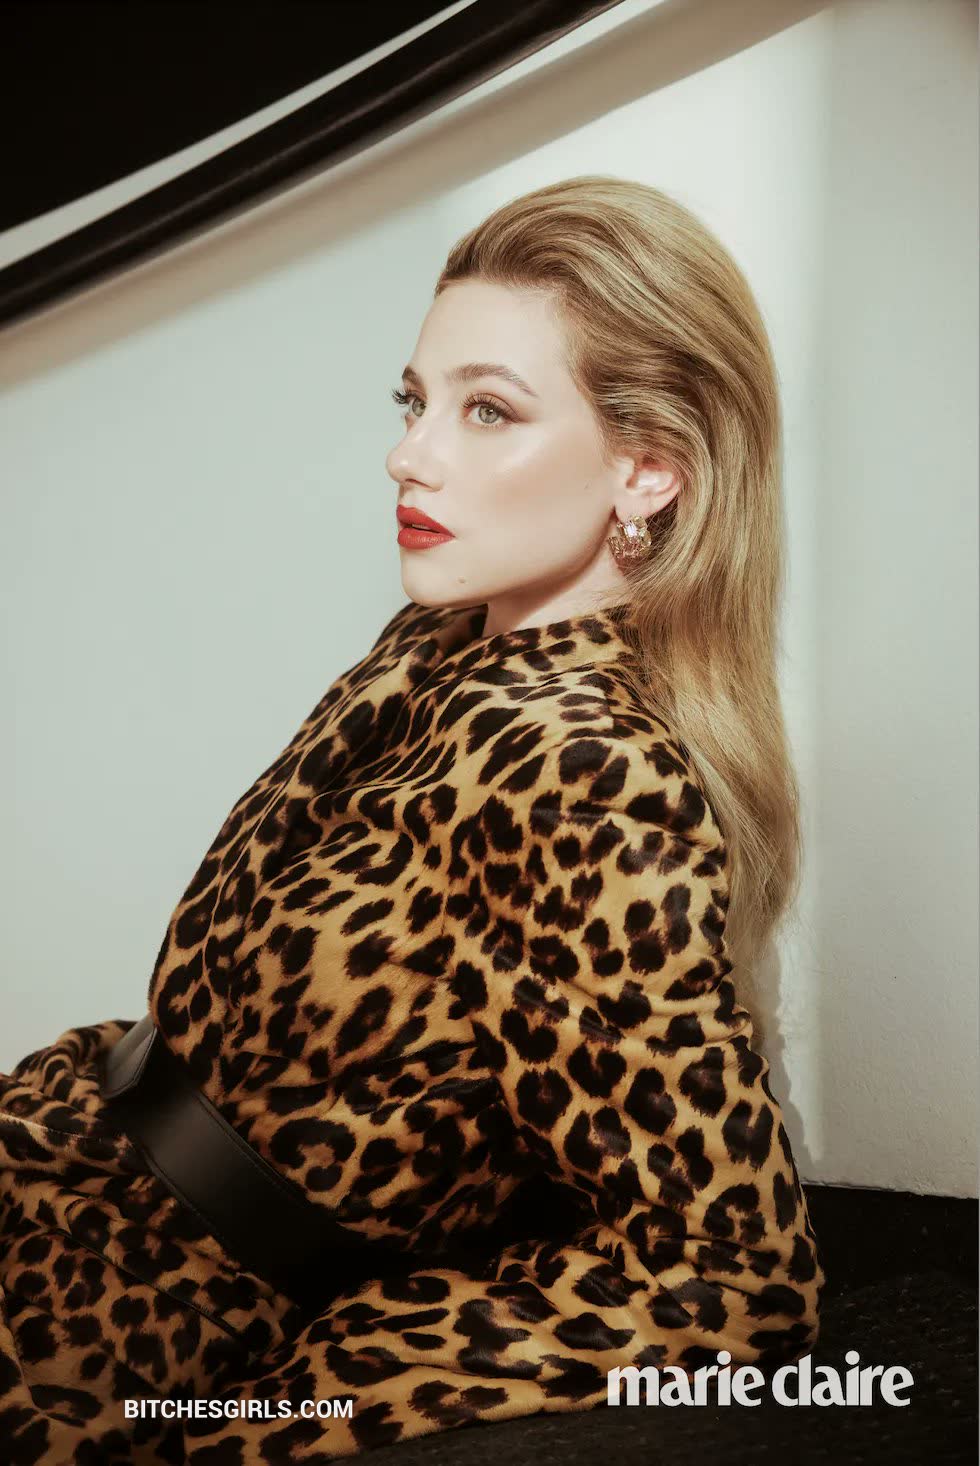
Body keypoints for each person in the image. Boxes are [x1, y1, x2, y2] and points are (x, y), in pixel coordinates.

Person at [0, 175, 824, 1463]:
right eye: (415, 401)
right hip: (56, 1166)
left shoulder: (586, 768)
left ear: (650, 468)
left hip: (115, 1320)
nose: (410, 453)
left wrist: (281, 1411)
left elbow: (732, 1276)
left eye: (487, 409)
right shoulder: (437, 643)